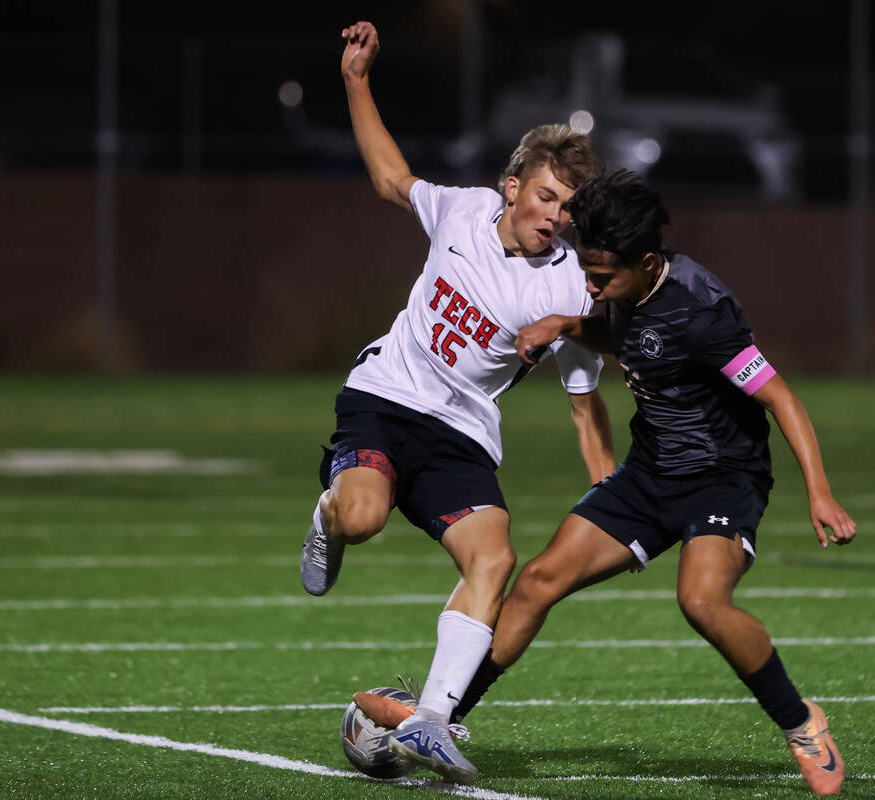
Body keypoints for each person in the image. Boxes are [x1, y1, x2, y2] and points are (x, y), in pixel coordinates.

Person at [430, 169, 857, 794]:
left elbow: (782, 398)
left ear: (648, 261)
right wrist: (566, 324)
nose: (590, 284)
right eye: (587, 270)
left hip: (721, 479)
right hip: (649, 472)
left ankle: (801, 723)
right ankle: (440, 719)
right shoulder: (624, 288)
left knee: (702, 602)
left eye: (602, 277)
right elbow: (630, 336)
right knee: (539, 582)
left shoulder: (703, 309)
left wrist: (819, 492)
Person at [301, 21, 616, 785]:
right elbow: (388, 177)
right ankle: (328, 514)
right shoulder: (464, 211)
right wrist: (356, 80)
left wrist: (609, 480)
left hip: (461, 435)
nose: (555, 215)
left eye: (569, 207)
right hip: (384, 397)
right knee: (365, 516)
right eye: (545, 196)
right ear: (513, 188)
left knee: (496, 555)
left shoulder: (571, 286)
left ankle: (435, 719)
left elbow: (584, 399)